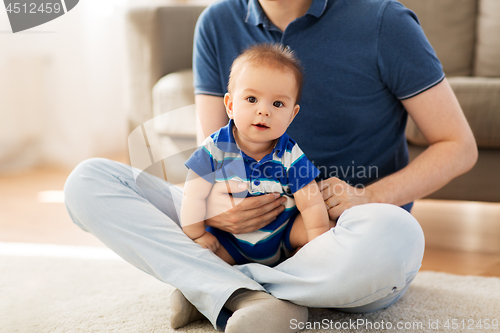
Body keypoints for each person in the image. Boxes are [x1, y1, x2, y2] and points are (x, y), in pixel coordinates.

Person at [63, 0, 477, 332]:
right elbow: (212, 154)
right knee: (89, 181)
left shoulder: (384, 20)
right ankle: (247, 295)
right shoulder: (217, 21)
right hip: (230, 231)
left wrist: (366, 197)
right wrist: (213, 210)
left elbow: (459, 147)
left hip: (334, 239)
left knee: (397, 235)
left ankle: (213, 285)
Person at [181, 44, 330, 266]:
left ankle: (297, 269)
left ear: (292, 115)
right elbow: (192, 196)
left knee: (331, 229)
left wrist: (319, 245)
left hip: (283, 237)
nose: (264, 111)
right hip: (227, 243)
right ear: (230, 105)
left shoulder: (290, 154)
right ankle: (219, 286)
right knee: (197, 257)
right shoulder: (214, 148)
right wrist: (198, 235)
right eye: (252, 99)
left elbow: (311, 205)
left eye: (278, 104)